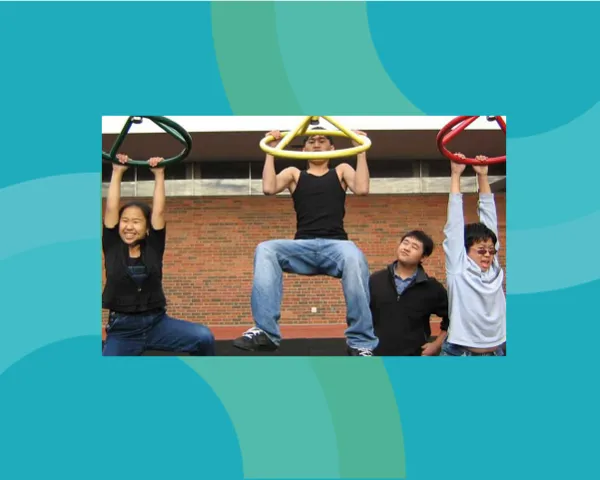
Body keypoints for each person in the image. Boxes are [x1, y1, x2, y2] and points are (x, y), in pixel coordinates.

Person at [233, 127, 379, 356]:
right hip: (302, 248)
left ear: (332, 148)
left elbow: (362, 188)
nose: (317, 143)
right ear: (303, 149)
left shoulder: (341, 170)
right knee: (266, 248)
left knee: (353, 253)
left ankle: (360, 342)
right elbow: (269, 188)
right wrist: (271, 148)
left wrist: (360, 147)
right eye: (311, 141)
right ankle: (266, 332)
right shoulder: (294, 173)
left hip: (336, 247)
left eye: (322, 140)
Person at [102, 154, 215, 356]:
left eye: (136, 222)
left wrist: (159, 174)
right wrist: (117, 171)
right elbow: (111, 207)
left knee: (203, 337)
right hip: (123, 331)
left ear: (147, 228)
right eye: (125, 221)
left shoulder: (153, 247)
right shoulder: (112, 245)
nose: (129, 226)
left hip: (157, 324)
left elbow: (159, 212)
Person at [441, 153, 506, 356]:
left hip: (499, 352)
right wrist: (455, 175)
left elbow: (490, 219)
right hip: (461, 353)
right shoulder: (458, 268)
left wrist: (482, 176)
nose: (487, 255)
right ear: (466, 251)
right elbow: (454, 225)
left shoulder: (494, 269)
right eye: (481, 251)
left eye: (491, 251)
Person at [369, 230, 449, 356]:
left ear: (423, 257)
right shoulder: (375, 280)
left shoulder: (432, 288)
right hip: (376, 356)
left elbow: (452, 317)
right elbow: (360, 314)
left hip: (413, 358)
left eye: (414, 247)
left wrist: (437, 344)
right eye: (405, 243)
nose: (407, 248)